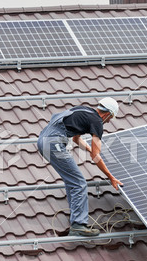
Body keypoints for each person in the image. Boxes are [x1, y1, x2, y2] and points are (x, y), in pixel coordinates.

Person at [37, 97, 123, 236]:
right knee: (79, 183)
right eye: (110, 118)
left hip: (43, 140)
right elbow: (96, 157)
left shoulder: (85, 111)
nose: (108, 122)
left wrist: (90, 150)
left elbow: (77, 139)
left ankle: (75, 217)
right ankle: (78, 225)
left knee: (71, 180)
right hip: (54, 143)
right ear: (107, 114)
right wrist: (111, 177)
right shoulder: (97, 122)